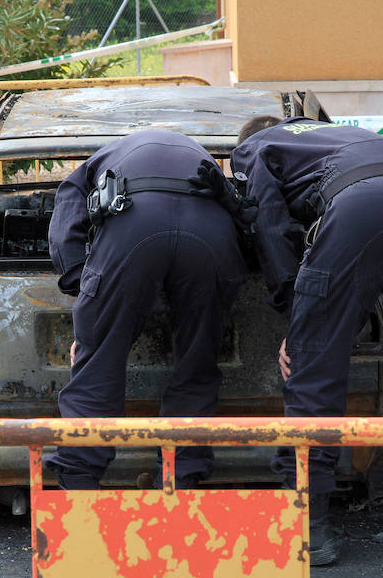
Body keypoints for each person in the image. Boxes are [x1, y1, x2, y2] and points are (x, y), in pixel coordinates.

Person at [230, 116, 383, 565]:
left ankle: (311, 529)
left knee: (314, 370)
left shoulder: (255, 146)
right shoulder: (345, 134)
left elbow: (268, 221)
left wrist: (294, 316)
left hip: (359, 206)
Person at [45, 129, 257, 490]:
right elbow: (246, 216)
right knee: (197, 361)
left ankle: (80, 477)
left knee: (99, 362)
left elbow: (67, 211)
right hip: (210, 234)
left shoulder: (100, 159)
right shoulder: (201, 157)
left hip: (134, 225)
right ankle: (183, 475)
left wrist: (84, 289)